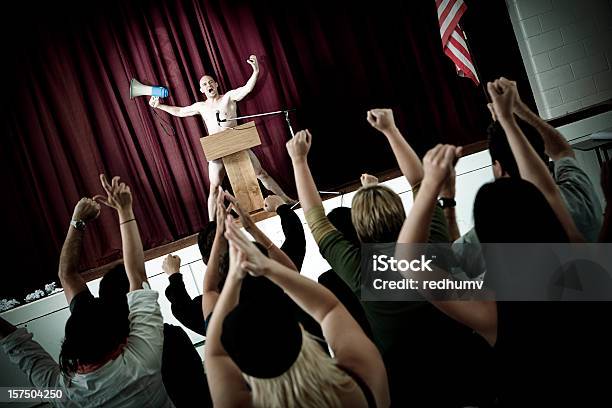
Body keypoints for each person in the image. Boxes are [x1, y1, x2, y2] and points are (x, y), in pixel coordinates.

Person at [287, 115, 491, 406]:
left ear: (357, 230)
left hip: (407, 387)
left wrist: (299, 161)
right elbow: (421, 181)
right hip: (466, 371)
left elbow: (316, 219)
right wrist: (390, 130)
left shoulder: (361, 271)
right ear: (402, 212)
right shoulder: (429, 243)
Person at [0, 175, 174, 407]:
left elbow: (20, 351)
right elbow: (137, 276)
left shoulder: (65, 395)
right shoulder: (142, 360)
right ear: (121, 339)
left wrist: (116, 212)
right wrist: (121, 211)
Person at [204, 215, 390, 408]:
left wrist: (234, 275)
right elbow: (328, 309)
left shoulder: (235, 404)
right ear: (298, 329)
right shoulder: (362, 379)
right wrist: (268, 267)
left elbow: (214, 352)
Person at [149, 55, 294, 220]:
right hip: (217, 147)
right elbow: (181, 111)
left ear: (216, 84)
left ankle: (286, 200)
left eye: (211, 82)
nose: (208, 85)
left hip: (236, 141)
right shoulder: (201, 106)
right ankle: (212, 222)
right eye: (204, 84)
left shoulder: (228, 97)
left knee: (261, 173)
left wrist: (255, 71)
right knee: (214, 187)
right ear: (201, 90)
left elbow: (246, 89)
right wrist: (159, 105)